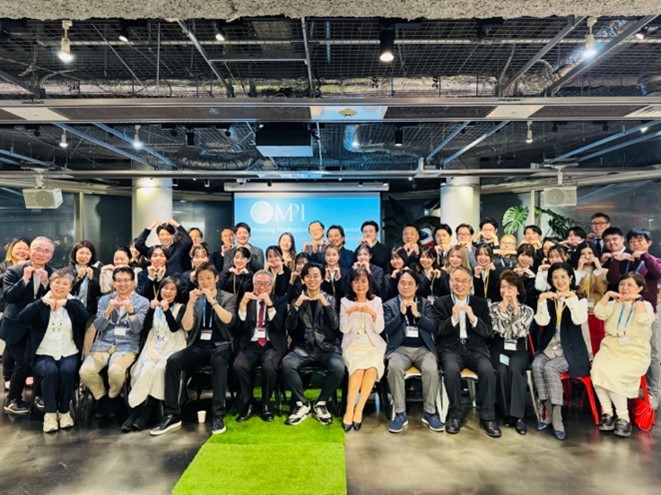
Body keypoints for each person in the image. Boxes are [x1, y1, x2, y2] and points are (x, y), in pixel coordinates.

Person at [150, 262, 237, 436]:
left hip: (222, 345)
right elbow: (187, 327)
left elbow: (229, 320)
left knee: (219, 361)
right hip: (199, 346)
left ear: (216, 279)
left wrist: (213, 301)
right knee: (173, 361)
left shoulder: (228, 297)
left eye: (208, 278)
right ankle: (172, 414)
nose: (205, 282)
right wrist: (190, 304)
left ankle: (218, 415)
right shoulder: (194, 298)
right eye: (201, 279)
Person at [17, 269, 89, 432]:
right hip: (43, 352)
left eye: (65, 284)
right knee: (50, 371)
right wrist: (42, 302)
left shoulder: (74, 303)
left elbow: (84, 317)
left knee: (67, 371)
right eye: (57, 282)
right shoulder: (41, 302)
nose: (60, 286)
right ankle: (49, 414)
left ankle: (64, 411)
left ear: (70, 287)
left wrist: (67, 304)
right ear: (50, 283)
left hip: (69, 351)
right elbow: (21, 317)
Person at [433, 266, 500, 438]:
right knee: (451, 370)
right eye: (456, 280)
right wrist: (453, 319)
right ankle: (455, 415)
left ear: (470, 284)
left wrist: (473, 318)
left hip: (475, 349)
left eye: (464, 281)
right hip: (451, 349)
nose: (460, 284)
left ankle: (488, 417)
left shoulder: (480, 303)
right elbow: (437, 331)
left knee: (488, 371)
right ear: (450, 282)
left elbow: (488, 333)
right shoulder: (441, 303)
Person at [79, 266, 150, 419]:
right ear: (114, 283)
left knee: (116, 371)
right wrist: (108, 311)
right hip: (103, 345)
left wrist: (131, 311)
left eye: (126, 280)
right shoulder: (105, 300)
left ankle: (113, 397)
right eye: (119, 281)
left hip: (127, 346)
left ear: (133, 282)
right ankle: (101, 398)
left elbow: (137, 329)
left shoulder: (142, 302)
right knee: (85, 371)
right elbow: (98, 327)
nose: (122, 284)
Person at [281, 262, 343, 426]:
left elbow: (335, 325)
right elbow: (289, 326)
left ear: (322, 279)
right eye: (308, 276)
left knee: (338, 367)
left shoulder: (330, 299)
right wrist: (297, 305)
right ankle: (302, 404)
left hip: (327, 347)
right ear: (303, 279)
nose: (312, 279)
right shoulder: (297, 299)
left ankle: (321, 403)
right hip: (304, 348)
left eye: (316, 276)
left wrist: (325, 304)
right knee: (287, 364)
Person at [532, 262, 589, 441]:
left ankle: (557, 418)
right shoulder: (549, 298)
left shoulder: (580, 299)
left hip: (572, 351)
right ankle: (548, 413)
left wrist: (571, 299)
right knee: (536, 365)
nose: (559, 281)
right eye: (555, 277)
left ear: (571, 278)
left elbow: (579, 319)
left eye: (563, 277)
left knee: (550, 368)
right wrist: (541, 301)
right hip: (550, 347)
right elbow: (542, 322)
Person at [592, 273, 654, 437]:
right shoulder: (614, 303)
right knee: (597, 370)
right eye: (622, 285)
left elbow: (642, 320)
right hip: (610, 347)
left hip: (635, 351)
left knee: (614, 375)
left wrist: (637, 301)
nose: (625, 288)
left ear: (640, 288)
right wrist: (607, 295)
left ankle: (623, 417)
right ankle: (607, 413)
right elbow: (599, 313)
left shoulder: (645, 305)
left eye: (630, 285)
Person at [605, 228, 661, 409]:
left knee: (653, 353)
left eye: (640, 240)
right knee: (627, 350)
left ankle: (653, 393)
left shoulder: (654, 261)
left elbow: (657, 273)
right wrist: (616, 261)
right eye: (632, 241)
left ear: (649, 243)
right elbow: (612, 279)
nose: (636, 244)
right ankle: (629, 389)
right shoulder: (626, 262)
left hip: (647, 312)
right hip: (625, 313)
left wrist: (644, 256)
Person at [122, 277, 186, 433]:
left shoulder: (180, 307)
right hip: (153, 344)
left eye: (172, 289)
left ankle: (148, 410)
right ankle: (136, 410)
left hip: (173, 344)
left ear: (177, 292)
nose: (168, 292)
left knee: (160, 369)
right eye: (165, 288)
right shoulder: (154, 305)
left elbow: (174, 328)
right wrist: (151, 310)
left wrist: (166, 310)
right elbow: (145, 328)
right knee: (146, 368)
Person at [0, 236, 55, 415]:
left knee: (38, 361)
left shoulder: (53, 273)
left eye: (46, 251)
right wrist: (24, 279)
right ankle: (12, 400)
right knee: (24, 362)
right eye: (37, 249)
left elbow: (56, 297)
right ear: (30, 251)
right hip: (15, 325)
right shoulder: (14, 270)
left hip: (39, 327)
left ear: (51, 255)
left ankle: (39, 395)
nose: (41, 254)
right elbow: (8, 296)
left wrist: (46, 283)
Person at [384, 268, 442, 433]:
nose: (406, 287)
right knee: (394, 368)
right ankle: (400, 413)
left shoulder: (425, 304)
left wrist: (418, 315)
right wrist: (401, 315)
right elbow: (387, 329)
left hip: (423, 349)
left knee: (431, 369)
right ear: (397, 285)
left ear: (416, 286)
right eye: (402, 283)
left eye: (410, 284)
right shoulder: (389, 305)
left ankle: (429, 412)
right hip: (399, 349)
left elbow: (433, 326)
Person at [233, 270, 287, 423]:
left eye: (265, 283)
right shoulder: (246, 300)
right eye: (258, 283)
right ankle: (248, 403)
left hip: (271, 345)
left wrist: (269, 305)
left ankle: (265, 404)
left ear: (271, 285)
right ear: (253, 284)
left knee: (269, 367)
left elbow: (279, 325)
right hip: (251, 344)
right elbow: (238, 328)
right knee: (239, 365)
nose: (262, 287)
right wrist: (242, 306)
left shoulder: (280, 300)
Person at [340, 267, 385, 431]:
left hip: (372, 345)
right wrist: (348, 313)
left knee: (372, 369)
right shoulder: (345, 302)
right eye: (356, 282)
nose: (360, 285)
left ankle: (359, 409)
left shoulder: (377, 301)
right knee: (358, 370)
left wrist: (373, 314)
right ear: (351, 284)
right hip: (352, 345)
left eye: (363, 281)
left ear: (369, 283)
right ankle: (349, 409)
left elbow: (379, 329)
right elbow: (343, 329)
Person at [488, 270, 534, 435]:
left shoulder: (527, 310)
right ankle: (505, 412)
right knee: (501, 370)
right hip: (499, 346)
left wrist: (515, 311)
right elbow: (497, 329)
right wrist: (502, 310)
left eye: (510, 287)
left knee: (515, 369)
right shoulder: (493, 308)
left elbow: (520, 332)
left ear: (518, 291)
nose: (506, 291)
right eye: (503, 287)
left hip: (518, 348)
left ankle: (518, 416)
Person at [0, 237, 31, 391]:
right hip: (9, 310)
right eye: (18, 248)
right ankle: (8, 376)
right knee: (10, 345)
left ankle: (25, 376)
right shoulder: (5, 266)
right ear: (11, 250)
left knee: (20, 346)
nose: (22, 251)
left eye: (25, 248)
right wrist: (18, 268)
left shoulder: (32, 265)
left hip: (26, 312)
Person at [69, 240, 101, 319]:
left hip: (90, 313)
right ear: (75, 254)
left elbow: (98, 293)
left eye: (87, 253)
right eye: (81, 253)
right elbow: (68, 292)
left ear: (91, 256)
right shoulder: (67, 271)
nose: (84, 256)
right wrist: (78, 279)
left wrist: (92, 280)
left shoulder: (97, 271)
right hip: (70, 312)